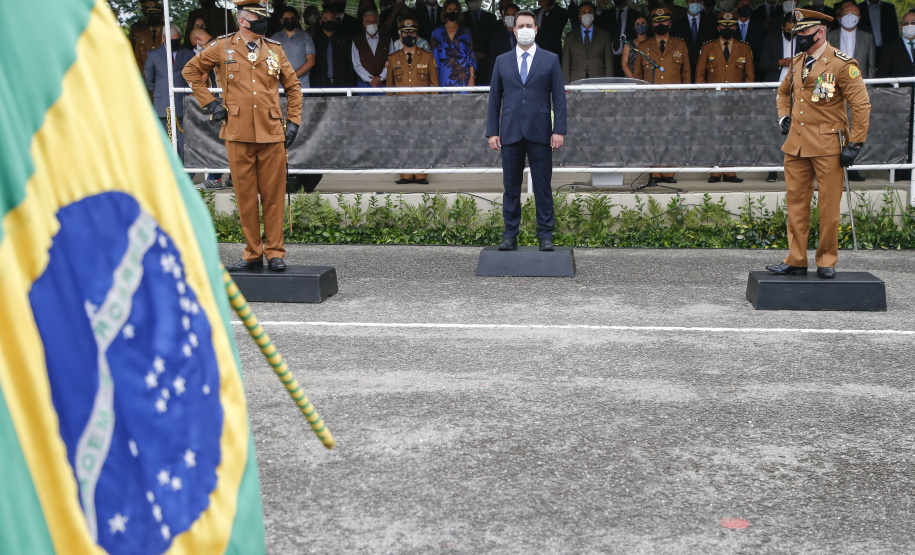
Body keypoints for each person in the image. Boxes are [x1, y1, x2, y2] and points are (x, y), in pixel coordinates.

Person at [183, 0, 303, 272]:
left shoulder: (274, 49)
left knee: (273, 196)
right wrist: (210, 103)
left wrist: (293, 120)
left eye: (264, 18)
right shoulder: (222, 46)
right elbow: (191, 71)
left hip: (272, 132)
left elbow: (293, 87)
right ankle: (252, 252)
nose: (262, 22)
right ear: (242, 21)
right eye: (256, 18)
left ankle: (275, 252)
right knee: (246, 196)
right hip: (238, 132)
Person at [766, 9, 871, 279]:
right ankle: (796, 259)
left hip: (828, 146)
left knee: (828, 207)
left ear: (819, 32)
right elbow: (782, 91)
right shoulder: (799, 61)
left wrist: (856, 143)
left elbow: (861, 105)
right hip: (796, 145)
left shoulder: (841, 63)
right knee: (796, 205)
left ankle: (826, 260)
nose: (798, 37)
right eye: (796, 33)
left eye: (802, 33)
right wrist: (783, 117)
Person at [486, 10, 567, 252]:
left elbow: (560, 98)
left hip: (541, 132)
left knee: (543, 186)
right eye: (520, 25)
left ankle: (545, 235)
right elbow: (494, 99)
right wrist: (492, 131)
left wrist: (559, 130)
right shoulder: (502, 61)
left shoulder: (550, 59)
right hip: (510, 133)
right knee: (511, 187)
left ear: (536, 29)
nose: (524, 29)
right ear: (513, 29)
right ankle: (510, 234)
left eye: (529, 25)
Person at [634, 8, 690, 187]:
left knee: (671, 135)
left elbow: (686, 74)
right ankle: (654, 172)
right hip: (651, 100)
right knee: (652, 136)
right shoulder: (644, 47)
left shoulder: (680, 45)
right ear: (652, 24)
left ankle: (668, 171)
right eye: (657, 22)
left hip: (674, 99)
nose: (660, 24)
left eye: (664, 21)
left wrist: (685, 97)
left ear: (670, 24)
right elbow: (637, 75)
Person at [696, 12, 754, 183]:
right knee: (714, 135)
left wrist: (745, 97)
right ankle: (715, 171)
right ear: (718, 27)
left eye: (730, 26)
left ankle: (730, 172)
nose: (727, 28)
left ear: (735, 27)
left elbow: (749, 76)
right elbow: (700, 75)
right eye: (724, 26)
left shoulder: (744, 48)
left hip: (736, 101)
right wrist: (704, 97)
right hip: (714, 100)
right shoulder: (708, 47)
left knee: (733, 136)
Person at [386, 18, 439, 184]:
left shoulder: (427, 57)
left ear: (417, 36)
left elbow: (434, 86)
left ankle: (422, 173)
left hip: (422, 107)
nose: (409, 35)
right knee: (403, 140)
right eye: (405, 33)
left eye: (412, 33)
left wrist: (433, 107)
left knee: (421, 139)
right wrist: (391, 108)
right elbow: (390, 88)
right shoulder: (393, 58)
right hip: (401, 108)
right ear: (400, 37)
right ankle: (405, 174)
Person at [145, 25, 194, 163]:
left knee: (184, 142)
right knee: (165, 142)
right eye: (171, 40)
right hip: (162, 105)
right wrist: (161, 93)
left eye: (176, 39)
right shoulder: (153, 54)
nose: (174, 42)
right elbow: (149, 79)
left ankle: (187, 174)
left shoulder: (188, 53)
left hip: (184, 104)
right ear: (163, 38)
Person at [562, 1, 614, 83]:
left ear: (594, 14)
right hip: (576, 80)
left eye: (590, 12)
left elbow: (609, 63)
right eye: (583, 12)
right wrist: (566, 85)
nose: (587, 14)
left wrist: (608, 84)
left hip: (598, 80)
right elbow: (565, 63)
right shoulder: (570, 37)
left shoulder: (604, 35)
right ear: (579, 16)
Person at [430, 0, 477, 88]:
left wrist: (472, 77)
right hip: (443, 75)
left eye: (455, 9)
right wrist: (434, 80)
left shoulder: (466, 31)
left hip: (463, 75)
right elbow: (433, 59)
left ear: (458, 11)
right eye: (449, 9)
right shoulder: (436, 32)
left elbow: (471, 56)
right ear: (444, 12)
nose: (452, 11)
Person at [271, 6, 318, 93]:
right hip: (279, 86)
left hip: (301, 85)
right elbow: (270, 60)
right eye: (286, 19)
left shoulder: (306, 37)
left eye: (292, 18)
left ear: (297, 20)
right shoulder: (275, 38)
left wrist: (292, 76)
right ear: (281, 21)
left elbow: (311, 62)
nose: (289, 21)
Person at [671, 0, 719, 82]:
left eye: (698, 1)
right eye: (692, 0)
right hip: (683, 72)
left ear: (702, 2)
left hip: (706, 73)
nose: (695, 3)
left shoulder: (712, 24)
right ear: (686, 2)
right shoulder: (676, 25)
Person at [312, 9, 358, 90]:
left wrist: (351, 85)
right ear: (320, 21)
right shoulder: (314, 41)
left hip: (342, 84)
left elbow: (350, 64)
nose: (329, 21)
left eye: (332, 19)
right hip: (319, 84)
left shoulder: (345, 41)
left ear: (336, 21)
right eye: (325, 19)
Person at [595, 0, 643, 77]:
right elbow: (596, 28)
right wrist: (599, 9)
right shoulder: (606, 14)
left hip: (629, 60)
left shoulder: (636, 15)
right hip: (609, 59)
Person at [353, 11, 394, 92]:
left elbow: (391, 60)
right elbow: (356, 64)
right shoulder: (357, 40)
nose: (371, 24)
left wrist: (381, 77)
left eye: (374, 21)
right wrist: (371, 80)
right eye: (368, 21)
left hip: (383, 83)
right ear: (364, 23)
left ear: (378, 22)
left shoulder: (387, 38)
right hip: (364, 84)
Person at [463, 0, 497, 85]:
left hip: (487, 62)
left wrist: (485, 53)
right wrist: (472, 55)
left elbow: (494, 39)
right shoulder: (461, 18)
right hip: (467, 65)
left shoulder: (491, 17)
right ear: (466, 2)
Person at [877, 9, 915, 78]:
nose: (910, 26)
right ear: (901, 26)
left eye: (913, 22)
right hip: (899, 88)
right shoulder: (889, 48)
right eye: (906, 23)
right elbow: (882, 76)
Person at [129, 1, 165, 72]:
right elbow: (138, 58)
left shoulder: (168, 32)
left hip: (163, 76)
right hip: (145, 76)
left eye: (155, 14)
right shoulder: (141, 34)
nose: (152, 17)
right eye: (149, 14)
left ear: (162, 16)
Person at [487, 4, 520, 81]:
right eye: (508, 15)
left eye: (513, 15)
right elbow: (492, 60)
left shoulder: (523, 34)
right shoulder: (496, 36)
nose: (511, 17)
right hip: (503, 76)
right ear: (504, 16)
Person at [735, 0, 766, 71]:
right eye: (742, 4)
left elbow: (761, 53)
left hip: (754, 70)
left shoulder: (760, 29)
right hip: (734, 71)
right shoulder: (730, 27)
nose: (745, 7)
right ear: (736, 8)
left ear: (752, 9)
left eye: (748, 5)